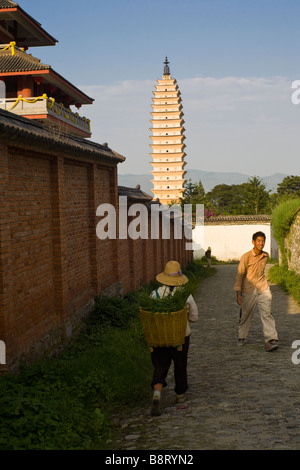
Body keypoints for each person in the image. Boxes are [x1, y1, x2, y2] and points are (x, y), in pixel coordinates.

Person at [150, 260, 198, 416]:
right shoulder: (185, 295)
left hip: (160, 338)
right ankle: (180, 394)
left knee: (160, 365)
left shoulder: (155, 294)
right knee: (180, 364)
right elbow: (194, 317)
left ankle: (157, 394)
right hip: (180, 337)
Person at [234, 231, 279, 352]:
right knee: (246, 315)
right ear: (253, 242)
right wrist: (238, 294)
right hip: (248, 290)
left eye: (263, 241)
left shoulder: (265, 256)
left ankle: (270, 339)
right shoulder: (246, 257)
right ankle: (241, 336)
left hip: (263, 288)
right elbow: (239, 276)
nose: (261, 243)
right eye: (258, 241)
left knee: (266, 313)